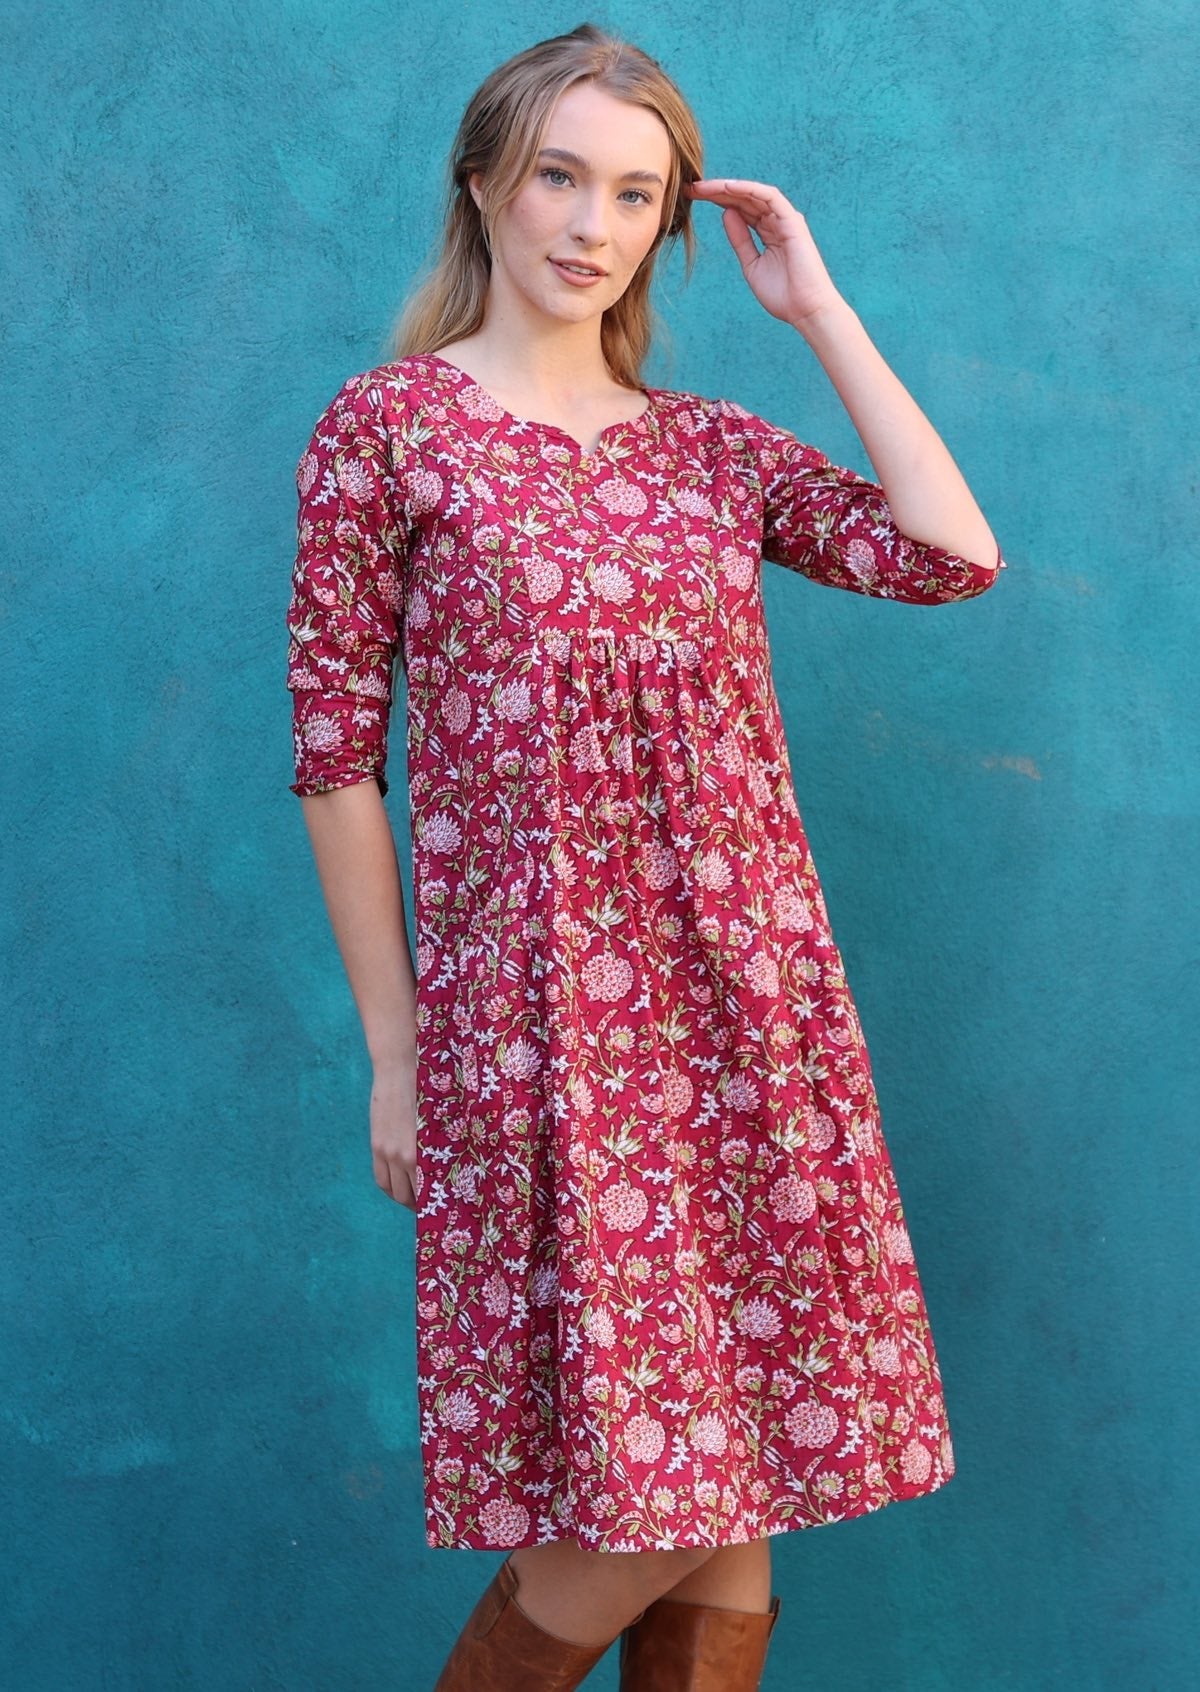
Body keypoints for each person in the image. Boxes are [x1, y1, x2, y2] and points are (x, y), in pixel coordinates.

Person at [285, 22, 1006, 1692]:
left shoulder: (709, 451)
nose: (588, 224)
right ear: (482, 182)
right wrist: (398, 1055)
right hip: (540, 1029)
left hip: (752, 1014)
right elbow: (334, 763)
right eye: (557, 174)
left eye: (633, 191)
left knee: (731, 1483)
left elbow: (951, 557)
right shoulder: (389, 432)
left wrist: (815, 310)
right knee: (640, 1495)